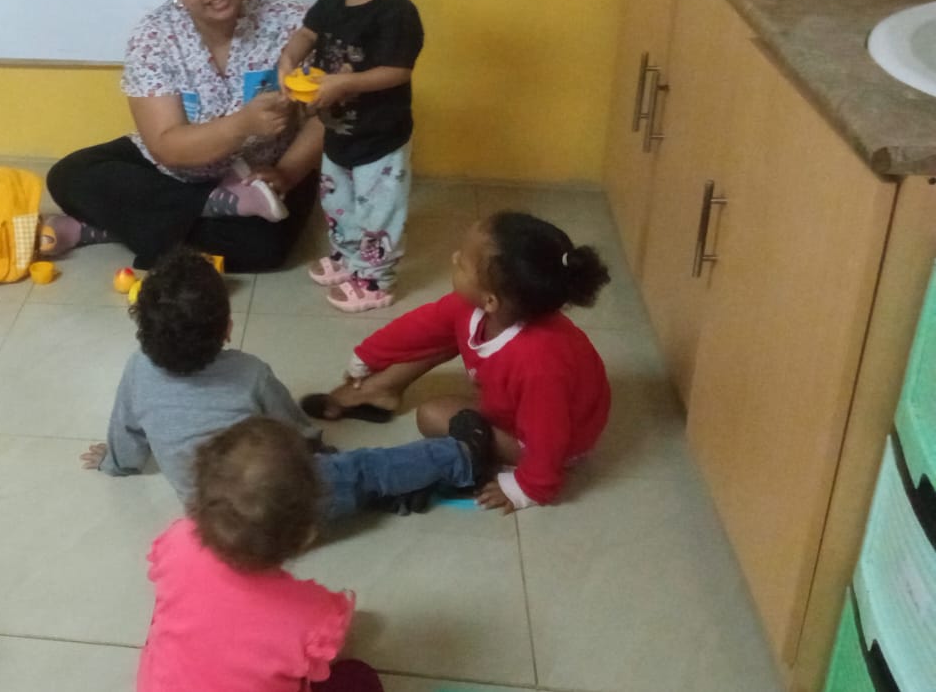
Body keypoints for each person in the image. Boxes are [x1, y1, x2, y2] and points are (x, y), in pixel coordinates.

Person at [82, 247, 497, 519]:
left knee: (351, 483)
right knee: (363, 468)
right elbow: (295, 433)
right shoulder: (250, 374)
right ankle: (460, 457)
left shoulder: (137, 370)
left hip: (215, 526)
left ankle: (395, 495)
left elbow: (127, 432)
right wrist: (319, 449)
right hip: (283, 512)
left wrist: (114, 462)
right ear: (227, 328)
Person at [43, 0, 324, 272]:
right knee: (68, 176)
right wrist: (242, 125)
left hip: (264, 174)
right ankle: (215, 204)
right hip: (175, 171)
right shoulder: (154, 37)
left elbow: (327, 117)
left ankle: (106, 228)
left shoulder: (295, 22)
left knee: (265, 248)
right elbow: (166, 146)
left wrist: (287, 172)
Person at [301, 211, 613, 511]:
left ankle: (473, 461)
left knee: (432, 417)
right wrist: (368, 355)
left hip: (555, 442)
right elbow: (419, 327)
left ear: (490, 300)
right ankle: (380, 390)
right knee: (444, 332)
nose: (453, 258)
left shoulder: (539, 364)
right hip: (523, 408)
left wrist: (529, 488)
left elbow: (548, 436)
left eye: (462, 263)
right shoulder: (479, 308)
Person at [138, 417, 383, 692]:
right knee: (358, 677)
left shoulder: (178, 539)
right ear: (306, 535)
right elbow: (330, 656)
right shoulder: (313, 613)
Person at [279, 0, 425, 313]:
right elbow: (309, 32)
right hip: (338, 129)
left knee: (378, 210)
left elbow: (398, 70)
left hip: (381, 136)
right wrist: (289, 57)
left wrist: (344, 84)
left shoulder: (396, 12)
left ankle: (376, 280)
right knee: (337, 200)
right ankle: (347, 256)